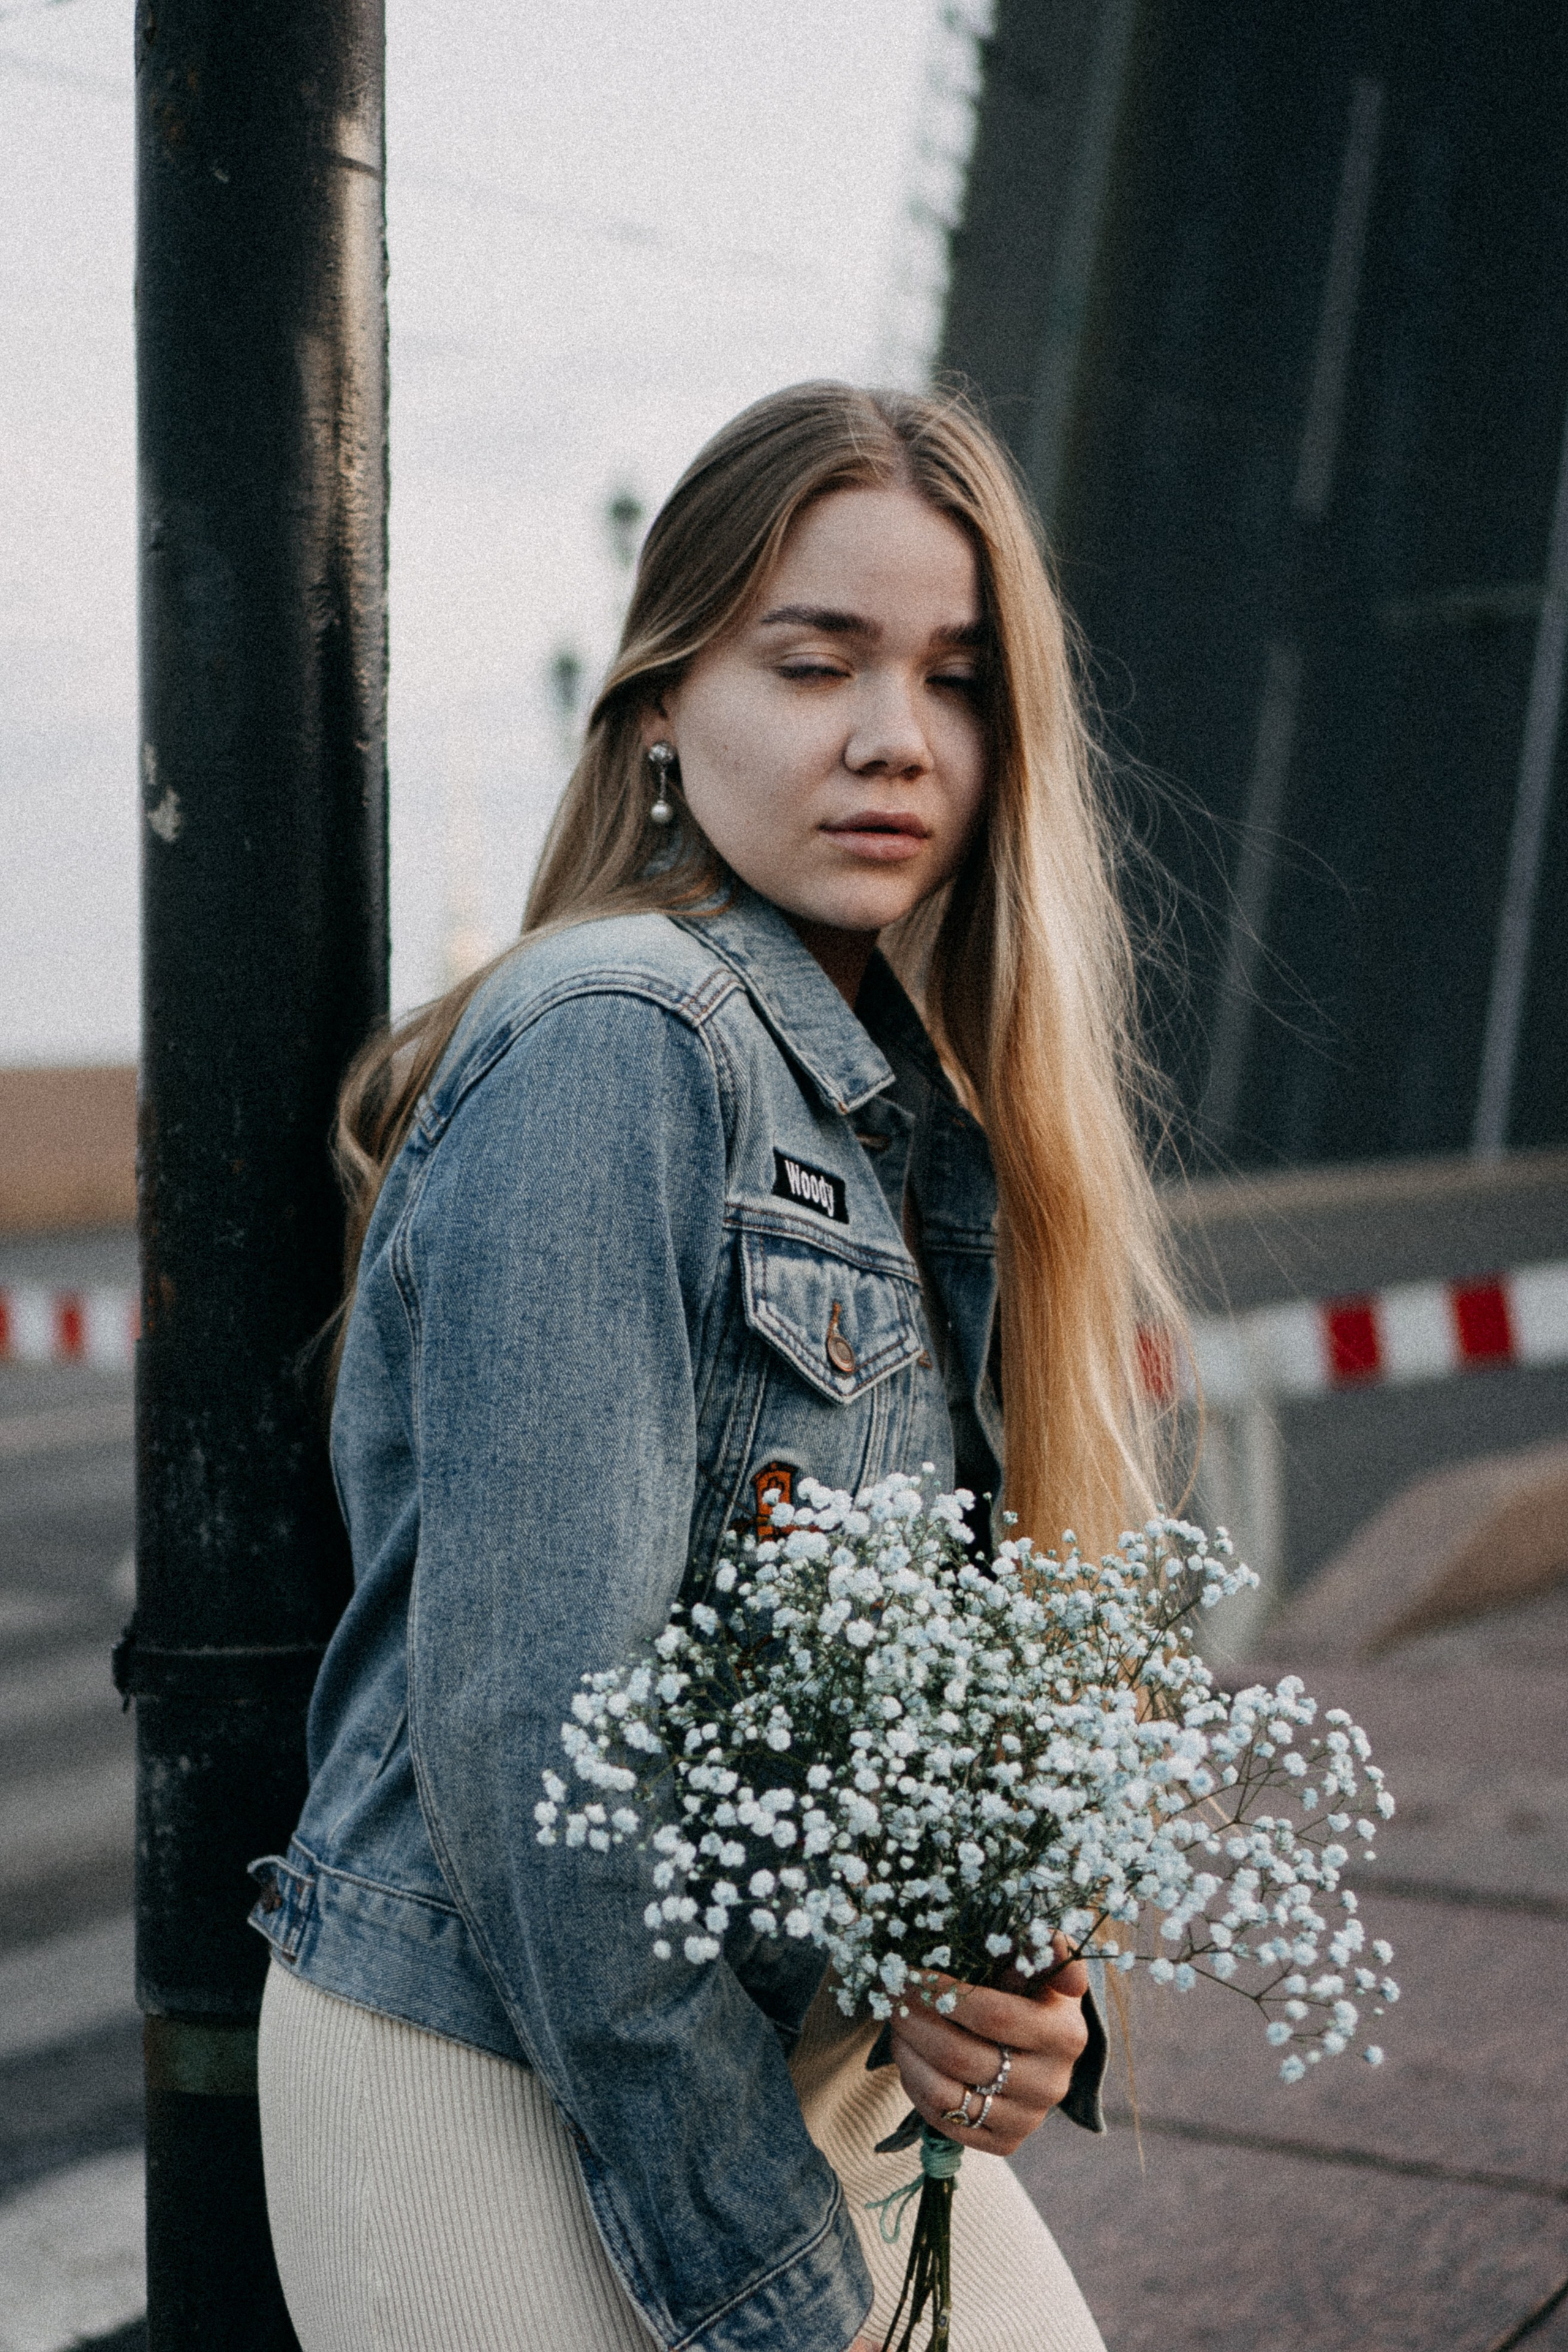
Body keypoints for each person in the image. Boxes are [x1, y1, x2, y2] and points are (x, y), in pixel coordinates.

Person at [252, 382, 1182, 2352]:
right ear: (665, 698)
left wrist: (1022, 1991)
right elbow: (542, 1760)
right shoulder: (625, 1037)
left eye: (952, 679)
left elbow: (938, 1709)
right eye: (814, 657)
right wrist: (770, 2281)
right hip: (497, 2060)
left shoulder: (924, 1120)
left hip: (808, 2066)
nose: (890, 739)